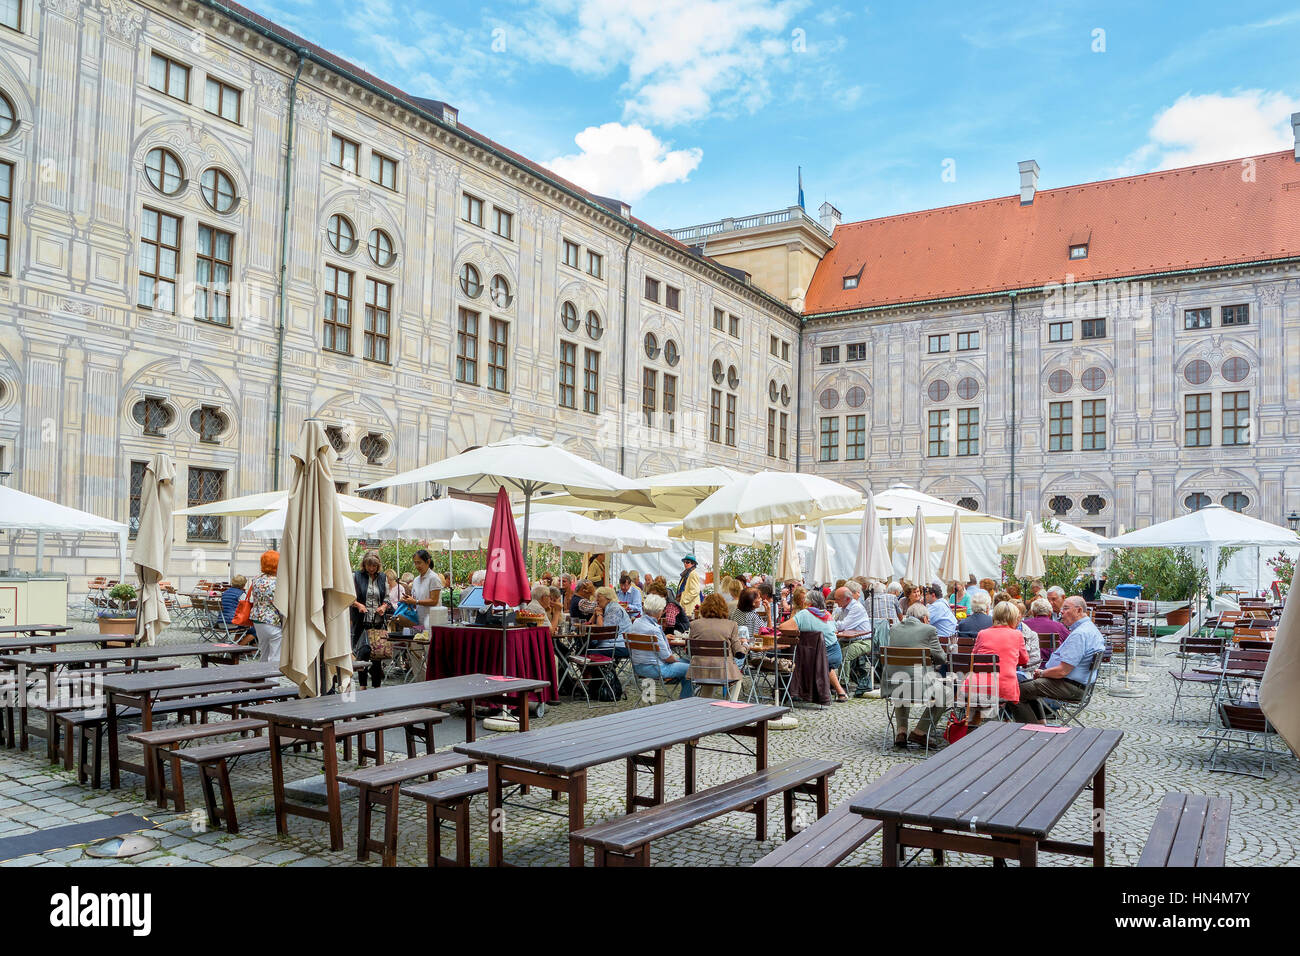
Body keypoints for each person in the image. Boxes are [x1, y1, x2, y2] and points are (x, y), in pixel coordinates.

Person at [1009, 596, 1107, 723]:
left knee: (1015, 691)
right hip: (1078, 685)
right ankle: (1040, 723)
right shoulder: (1089, 629)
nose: (1061, 612)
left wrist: (1042, 673)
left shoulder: (1080, 634)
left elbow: (1062, 671)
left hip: (1070, 686)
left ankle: (1032, 731)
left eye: (1066, 608)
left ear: (1079, 610)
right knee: (1027, 687)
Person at [884, 603, 947, 748]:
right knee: (944, 694)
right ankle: (919, 732)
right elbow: (941, 658)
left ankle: (901, 732)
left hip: (892, 684)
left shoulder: (894, 629)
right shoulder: (929, 630)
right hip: (919, 686)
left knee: (902, 683)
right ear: (925, 618)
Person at [965, 601, 1030, 725]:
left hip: (978, 686)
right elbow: (1024, 660)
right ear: (1013, 618)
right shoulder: (1017, 635)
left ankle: (972, 726)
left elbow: (974, 658)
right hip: (1004, 688)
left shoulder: (982, 633)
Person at [780, 588, 849, 702]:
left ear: (810, 603)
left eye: (806, 601)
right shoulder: (827, 614)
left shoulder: (805, 613)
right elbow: (834, 630)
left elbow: (782, 627)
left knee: (796, 657)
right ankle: (840, 691)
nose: (804, 603)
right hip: (835, 653)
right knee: (823, 663)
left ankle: (794, 691)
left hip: (816, 656)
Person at [628, 593, 692, 698]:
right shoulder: (654, 629)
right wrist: (675, 659)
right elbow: (667, 658)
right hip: (655, 668)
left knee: (687, 663)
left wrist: (663, 639)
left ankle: (684, 697)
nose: (663, 612)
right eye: (663, 610)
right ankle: (685, 700)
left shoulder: (636, 623)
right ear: (658, 612)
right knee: (692, 668)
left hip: (638, 666)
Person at [687, 594, 746, 700]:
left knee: (709, 675)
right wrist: (746, 646)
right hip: (723, 671)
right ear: (724, 608)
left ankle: (704, 702)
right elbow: (739, 653)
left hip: (699, 670)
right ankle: (730, 703)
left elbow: (689, 649)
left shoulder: (694, 624)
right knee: (738, 678)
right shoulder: (731, 625)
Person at [351, 550, 390, 689]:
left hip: (377, 623)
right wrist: (358, 605)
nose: (371, 568)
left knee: (377, 654)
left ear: (378, 566)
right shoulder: (356, 576)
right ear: (364, 564)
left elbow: (387, 598)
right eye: (369, 565)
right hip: (362, 622)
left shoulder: (383, 577)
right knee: (363, 654)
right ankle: (362, 685)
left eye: (374, 566)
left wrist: (384, 607)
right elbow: (350, 597)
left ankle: (377, 686)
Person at [247, 552, 282, 665]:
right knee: (275, 656)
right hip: (272, 620)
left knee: (264, 653)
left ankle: (262, 679)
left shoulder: (256, 579)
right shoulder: (277, 582)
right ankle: (271, 681)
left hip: (258, 620)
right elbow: (279, 603)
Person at [408, 549, 445, 629]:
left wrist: (416, 601)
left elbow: (434, 601)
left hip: (433, 621)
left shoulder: (434, 578)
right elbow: (415, 598)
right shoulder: (416, 580)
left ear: (428, 562)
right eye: (415, 563)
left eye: (419, 562)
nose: (417, 566)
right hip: (420, 620)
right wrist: (408, 600)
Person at [592, 586, 631, 659]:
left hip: (620, 646)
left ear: (608, 598)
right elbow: (590, 623)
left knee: (588, 654)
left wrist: (599, 615)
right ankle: (608, 670)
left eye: (599, 596)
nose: (596, 599)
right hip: (613, 644)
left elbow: (603, 631)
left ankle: (606, 670)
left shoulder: (614, 609)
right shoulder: (607, 608)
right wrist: (595, 613)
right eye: (596, 597)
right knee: (586, 648)